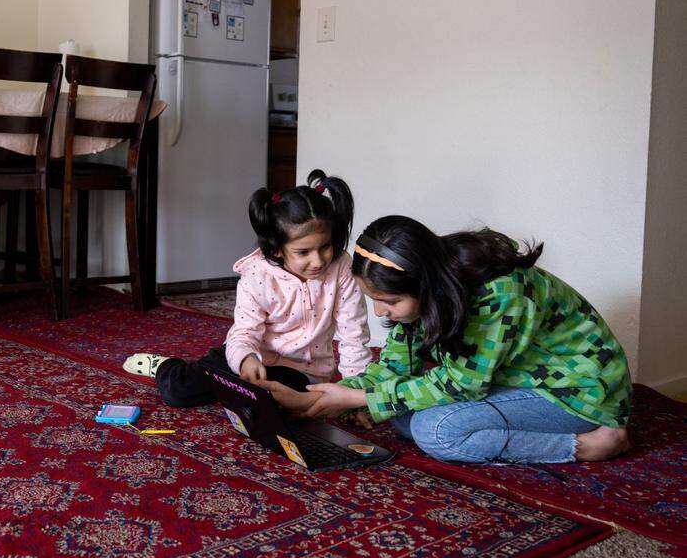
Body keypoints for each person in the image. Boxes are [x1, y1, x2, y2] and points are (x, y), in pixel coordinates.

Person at [262, 215, 633, 464]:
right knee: (400, 416)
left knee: (435, 431)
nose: (380, 313)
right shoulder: (430, 284)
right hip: (515, 380)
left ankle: (586, 445)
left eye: (389, 302)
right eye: (375, 300)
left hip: (576, 393)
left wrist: (360, 399)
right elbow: (393, 368)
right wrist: (317, 399)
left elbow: (463, 383)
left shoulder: (498, 293)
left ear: (425, 285)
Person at [123, 170, 372, 406]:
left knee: (281, 405)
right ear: (276, 248)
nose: (318, 260)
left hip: (302, 372)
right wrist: (246, 359)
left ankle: (244, 393)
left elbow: (354, 334)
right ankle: (167, 367)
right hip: (251, 355)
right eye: (303, 252)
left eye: (325, 247)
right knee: (178, 392)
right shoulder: (257, 274)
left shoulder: (342, 268)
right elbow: (244, 332)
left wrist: (352, 394)